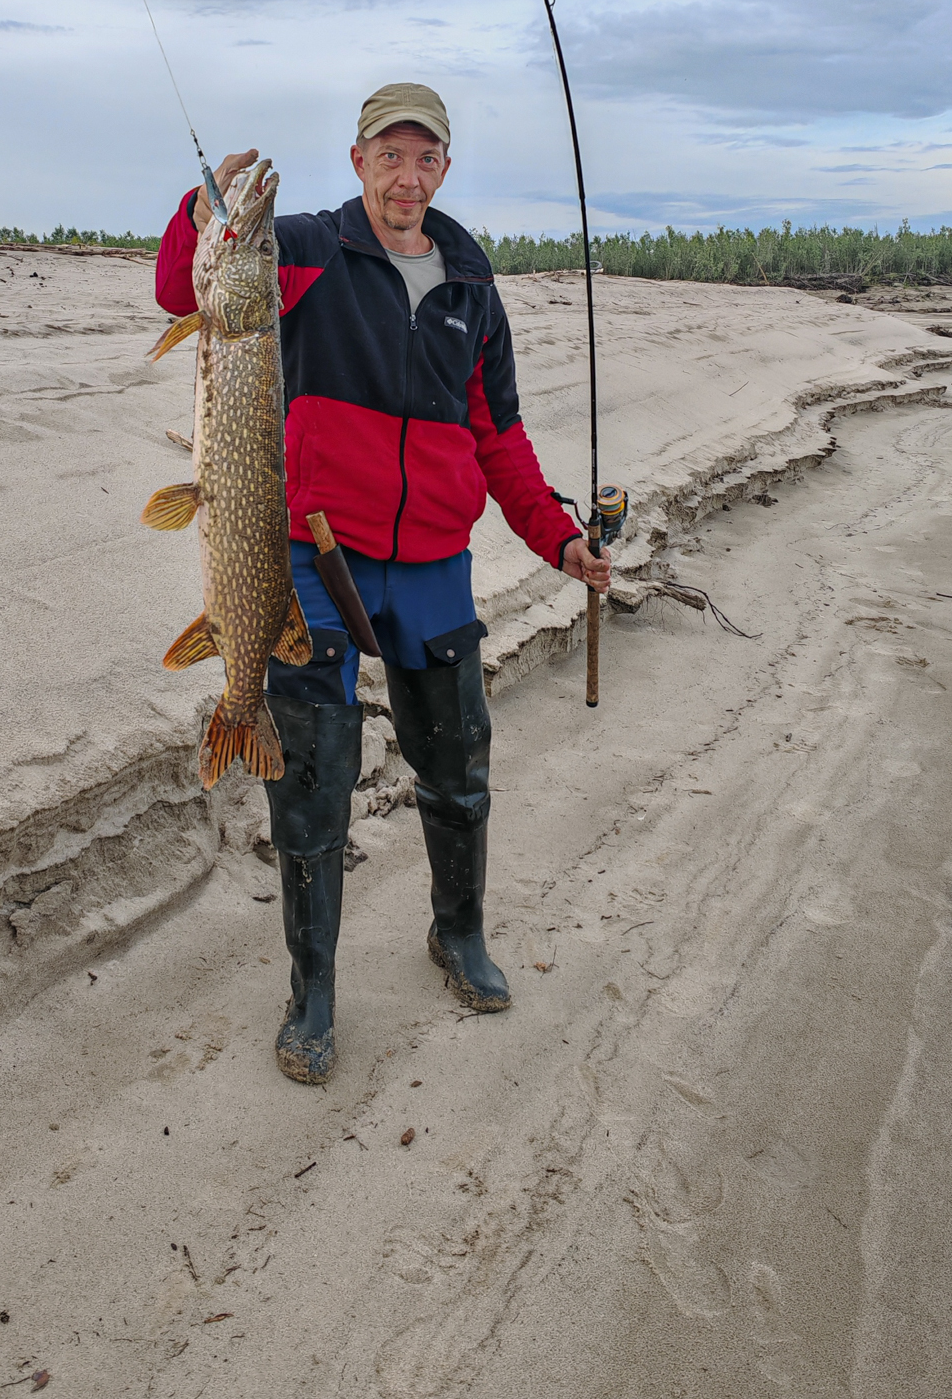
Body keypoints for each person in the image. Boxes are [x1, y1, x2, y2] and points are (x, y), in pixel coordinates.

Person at [154, 81, 610, 1084]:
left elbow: (499, 438)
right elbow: (188, 298)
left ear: (444, 168)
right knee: (311, 785)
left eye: (425, 158)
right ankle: (310, 994)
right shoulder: (307, 250)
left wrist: (558, 540)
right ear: (358, 161)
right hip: (315, 559)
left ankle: (459, 933)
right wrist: (199, 217)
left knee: (457, 769)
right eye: (388, 156)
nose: (407, 175)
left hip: (433, 565)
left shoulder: (471, 289)